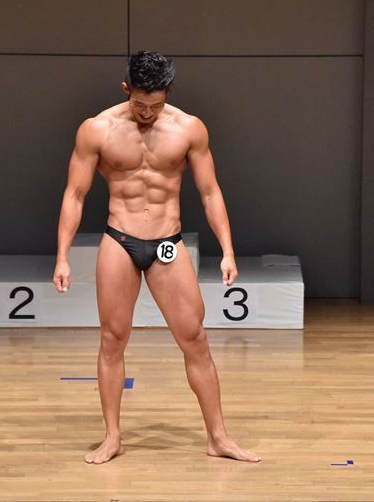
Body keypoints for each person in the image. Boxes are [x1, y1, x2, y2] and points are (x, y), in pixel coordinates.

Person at [53, 50, 261, 465]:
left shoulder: (189, 128)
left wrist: (227, 249)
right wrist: (62, 256)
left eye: (156, 104)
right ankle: (112, 437)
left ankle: (218, 437)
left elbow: (210, 192)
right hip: (120, 239)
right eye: (139, 103)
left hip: (167, 241)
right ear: (125, 89)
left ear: (168, 92)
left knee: (195, 339)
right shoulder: (97, 130)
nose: (147, 112)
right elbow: (75, 194)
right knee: (112, 340)